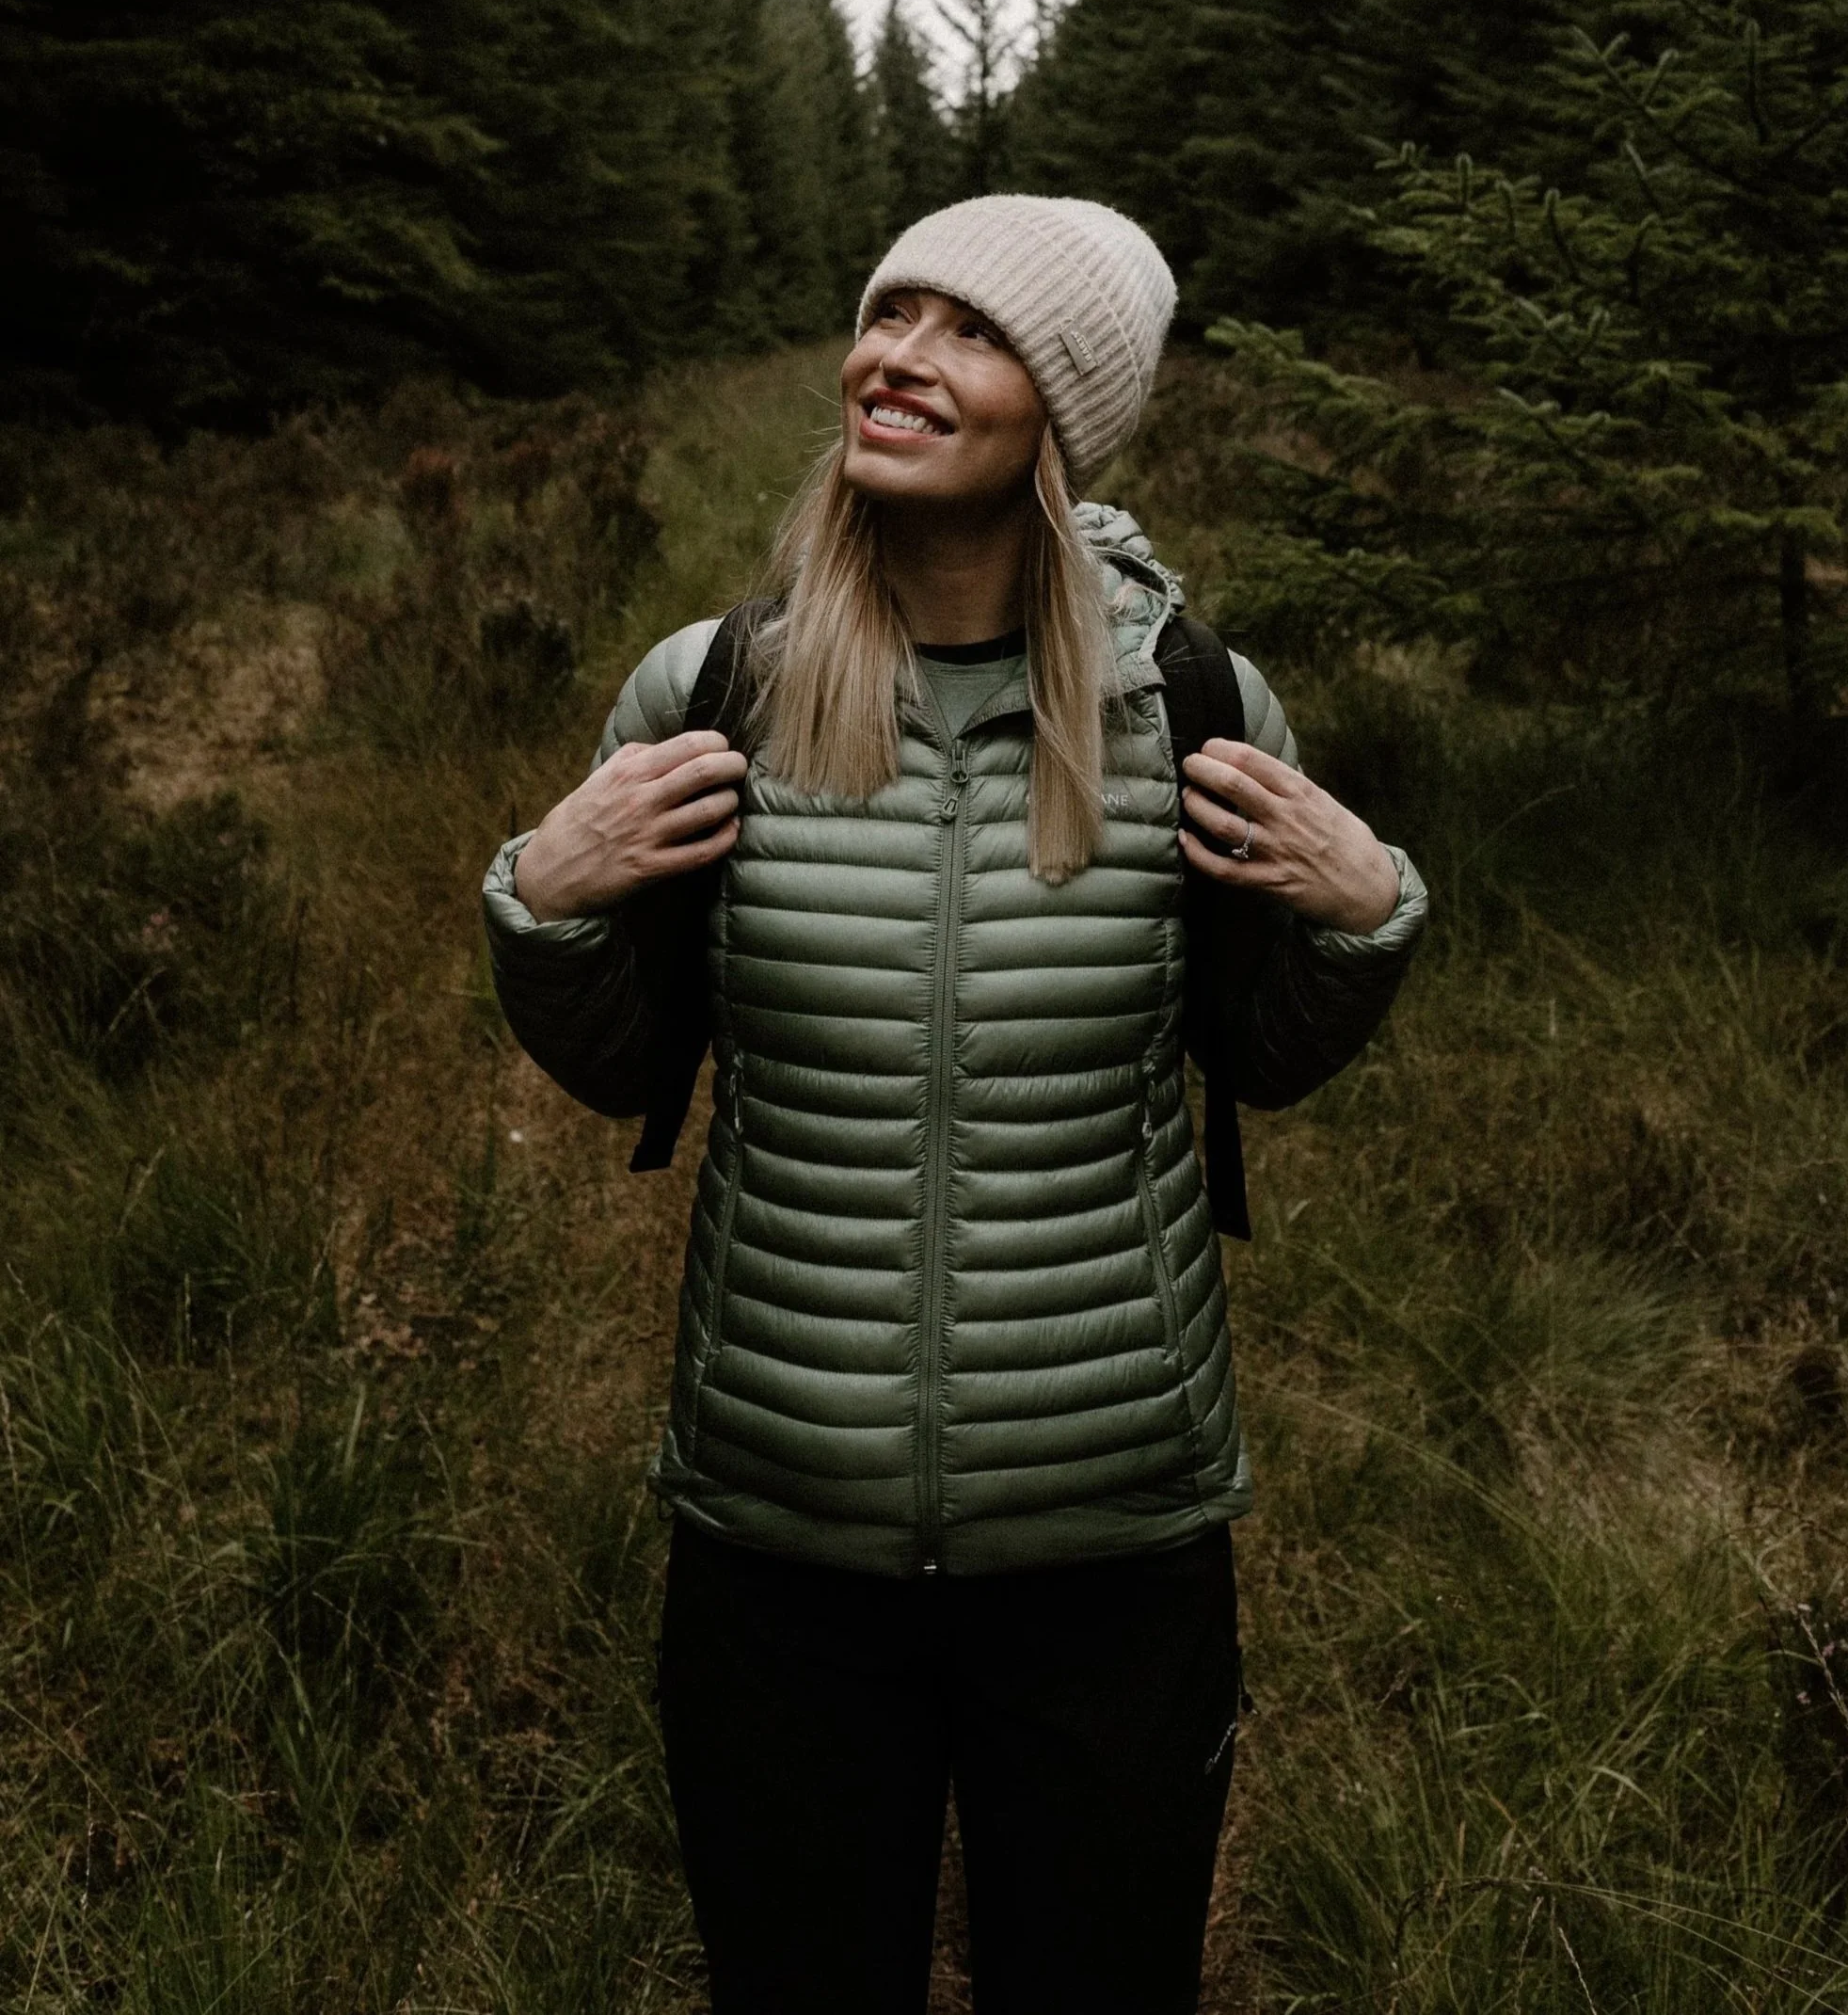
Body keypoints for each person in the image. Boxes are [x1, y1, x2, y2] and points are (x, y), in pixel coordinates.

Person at [482, 196, 1426, 2015]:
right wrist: (544, 892)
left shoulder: (1192, 698)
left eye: (964, 330)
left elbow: (1266, 1059)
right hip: (777, 1540)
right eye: (885, 312)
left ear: (1058, 413)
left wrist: (1365, 920)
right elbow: (619, 1065)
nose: (895, 356)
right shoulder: (718, 685)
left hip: (1112, 1553)